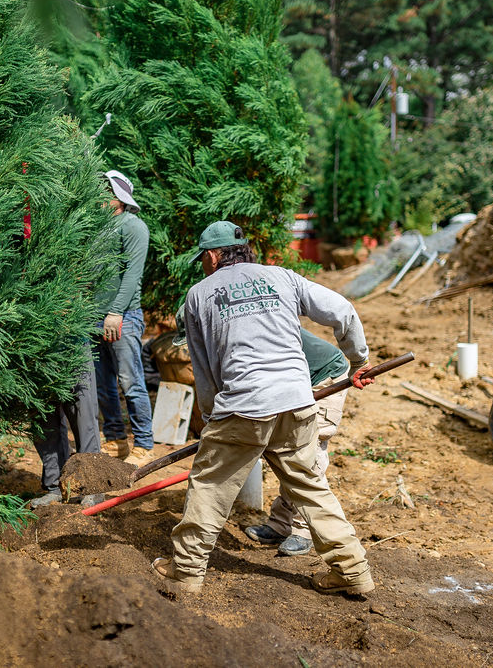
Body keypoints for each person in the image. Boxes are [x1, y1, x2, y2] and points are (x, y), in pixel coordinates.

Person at [152, 221, 376, 597]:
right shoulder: (283, 277)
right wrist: (359, 360)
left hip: (244, 404)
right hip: (297, 400)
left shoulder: (198, 295)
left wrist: (211, 421)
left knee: (209, 486)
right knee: (311, 487)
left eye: (202, 259)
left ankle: (186, 572)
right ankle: (353, 570)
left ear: (211, 255)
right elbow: (343, 310)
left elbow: (204, 373)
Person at [244, 329, 350, 555]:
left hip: (324, 377)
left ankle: (304, 530)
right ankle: (281, 525)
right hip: (295, 382)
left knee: (308, 454)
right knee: (289, 451)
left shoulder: (249, 331)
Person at [93, 170, 154, 466]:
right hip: (92, 319)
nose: (99, 196)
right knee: (103, 384)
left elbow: (132, 274)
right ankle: (116, 439)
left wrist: (115, 312)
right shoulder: (97, 227)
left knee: (131, 382)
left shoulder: (133, 226)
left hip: (123, 317)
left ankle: (144, 444)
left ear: (118, 197)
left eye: (105, 191)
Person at [29, 342, 104, 508]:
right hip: (36, 349)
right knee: (44, 419)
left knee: (83, 418)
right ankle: (56, 487)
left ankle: (94, 487)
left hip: (71, 344)